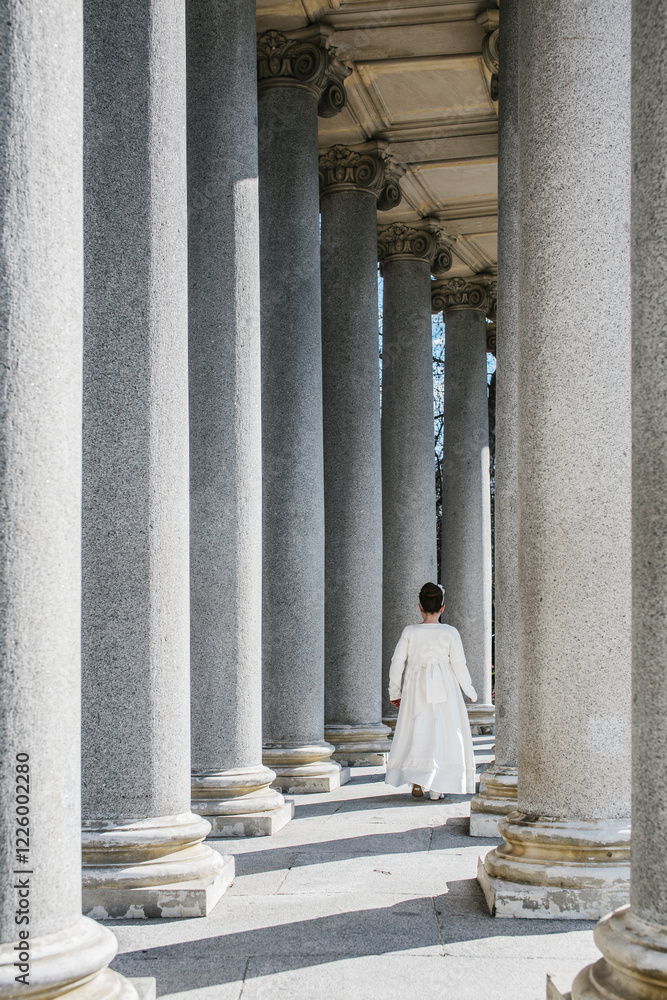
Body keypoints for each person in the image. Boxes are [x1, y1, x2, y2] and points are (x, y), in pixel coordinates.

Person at [385, 582, 478, 800]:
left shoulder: (410, 631)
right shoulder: (450, 632)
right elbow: (459, 664)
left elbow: (397, 662)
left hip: (416, 685)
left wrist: (394, 692)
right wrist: (470, 691)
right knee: (443, 732)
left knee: (417, 729)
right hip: (445, 687)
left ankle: (417, 779)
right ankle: (437, 786)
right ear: (442, 607)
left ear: (420, 607)